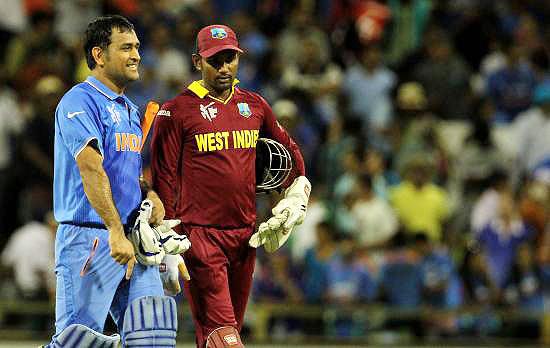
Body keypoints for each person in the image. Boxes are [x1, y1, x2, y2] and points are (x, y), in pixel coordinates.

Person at [150, 24, 311, 348]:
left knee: (220, 334)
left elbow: (289, 154)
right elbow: (163, 176)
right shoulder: (175, 110)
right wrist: (167, 236)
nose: (224, 68)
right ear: (197, 61)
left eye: (230, 59)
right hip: (199, 236)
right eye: (215, 60)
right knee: (225, 335)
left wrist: (297, 194)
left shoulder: (255, 105)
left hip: (245, 236)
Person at [47, 15, 180, 347]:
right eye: (126, 48)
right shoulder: (79, 101)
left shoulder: (131, 110)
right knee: (77, 342)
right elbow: (91, 169)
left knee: (155, 337)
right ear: (99, 55)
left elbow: (127, 173)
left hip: (133, 238)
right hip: (90, 239)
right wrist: (114, 231)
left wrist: (150, 195)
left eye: (137, 47)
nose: (136, 55)